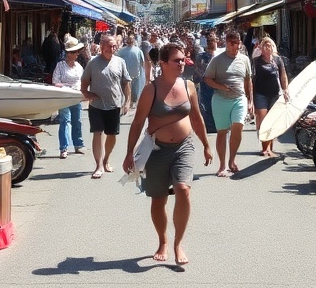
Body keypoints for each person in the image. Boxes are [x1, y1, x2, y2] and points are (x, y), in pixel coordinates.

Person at [124, 42, 212, 266]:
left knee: (183, 190)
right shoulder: (150, 90)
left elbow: (196, 118)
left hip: (184, 146)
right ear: (163, 63)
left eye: (183, 60)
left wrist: (206, 144)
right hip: (157, 150)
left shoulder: (189, 86)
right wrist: (129, 153)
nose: (182, 64)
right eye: (176, 60)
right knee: (158, 199)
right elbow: (137, 123)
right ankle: (163, 241)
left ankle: (178, 244)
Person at [80, 35, 132, 178]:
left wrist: (127, 101)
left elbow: (126, 82)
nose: (112, 48)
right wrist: (86, 93)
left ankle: (106, 159)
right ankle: (98, 165)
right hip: (96, 105)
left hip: (114, 104)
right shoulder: (93, 62)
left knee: (112, 134)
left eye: (114, 46)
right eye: (109, 45)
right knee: (97, 132)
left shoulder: (120, 62)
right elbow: (84, 81)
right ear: (102, 47)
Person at [203, 29, 253, 176]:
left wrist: (250, 100)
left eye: (238, 43)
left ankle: (232, 160)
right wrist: (221, 86)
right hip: (221, 99)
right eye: (232, 43)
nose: (236, 46)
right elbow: (207, 78)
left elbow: (248, 80)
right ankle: (222, 165)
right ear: (226, 43)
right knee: (222, 132)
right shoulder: (217, 60)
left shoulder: (244, 59)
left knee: (238, 126)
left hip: (239, 98)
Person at [252, 37, 289, 157]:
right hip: (260, 94)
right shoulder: (256, 61)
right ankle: (265, 148)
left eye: (271, 45)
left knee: (272, 121)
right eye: (266, 45)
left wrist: (285, 89)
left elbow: (283, 76)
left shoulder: (278, 60)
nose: (268, 48)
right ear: (261, 48)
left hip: (275, 94)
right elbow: (251, 79)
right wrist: (250, 97)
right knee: (263, 122)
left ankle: (269, 147)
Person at [52, 37, 86, 159]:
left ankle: (78, 144)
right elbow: (55, 80)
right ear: (69, 53)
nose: (77, 54)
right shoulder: (60, 66)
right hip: (64, 97)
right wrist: (65, 86)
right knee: (65, 121)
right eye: (75, 52)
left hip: (76, 97)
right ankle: (64, 148)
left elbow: (83, 81)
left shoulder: (78, 66)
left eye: (77, 52)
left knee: (77, 121)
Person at [194, 34, 219, 134]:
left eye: (214, 41)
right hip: (206, 85)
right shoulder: (201, 57)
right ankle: (210, 127)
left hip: (217, 84)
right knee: (207, 105)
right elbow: (199, 71)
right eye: (212, 42)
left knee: (216, 105)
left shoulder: (219, 55)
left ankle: (217, 125)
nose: (214, 44)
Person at [116, 33, 147, 105]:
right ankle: (128, 103)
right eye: (129, 39)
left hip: (133, 75)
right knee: (129, 91)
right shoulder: (122, 51)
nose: (130, 40)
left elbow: (142, 63)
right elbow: (142, 63)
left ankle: (130, 103)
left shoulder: (137, 51)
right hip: (127, 75)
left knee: (131, 92)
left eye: (131, 39)